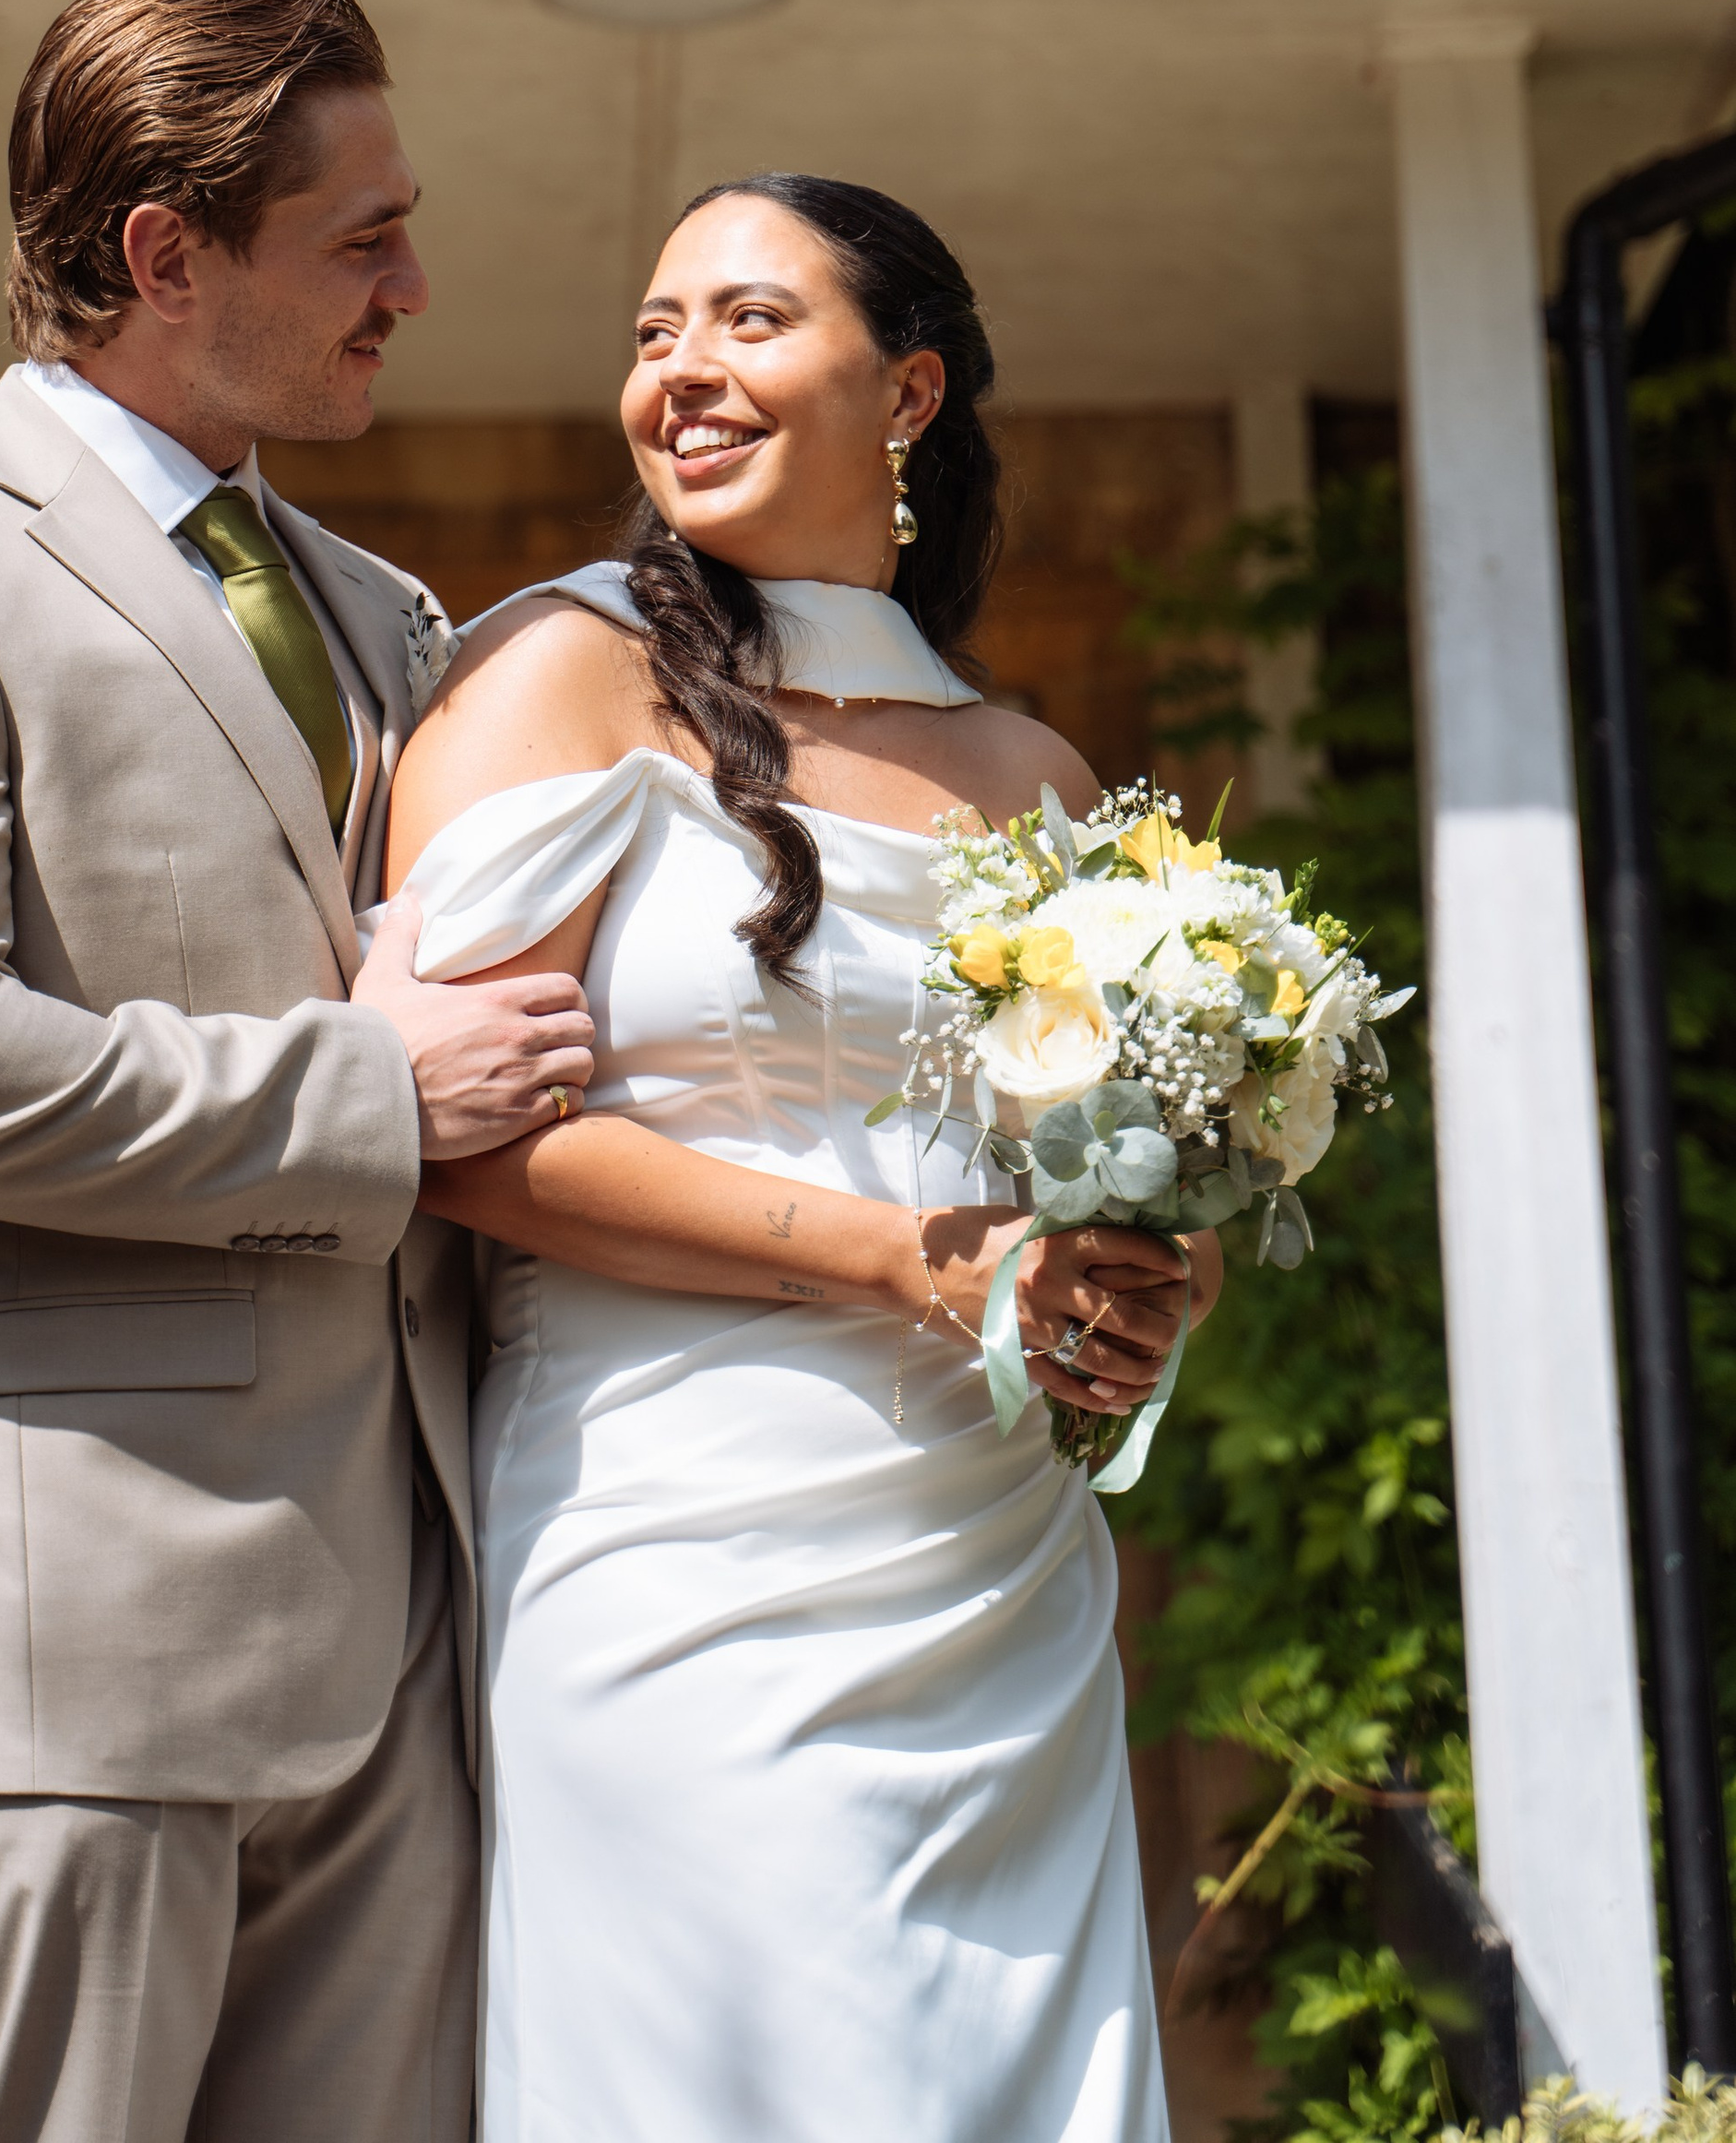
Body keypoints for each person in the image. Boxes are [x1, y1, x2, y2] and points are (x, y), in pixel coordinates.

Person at [0, 0, 594, 2143]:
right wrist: (363, 1095)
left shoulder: (392, 619)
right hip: (60, 1648)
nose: (416, 279)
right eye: (360, 235)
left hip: (399, 1648)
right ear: (160, 253)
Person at [375, 171, 1219, 2143]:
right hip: (670, 1544)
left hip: (985, 1566)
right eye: (654, 331)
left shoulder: (1035, 780)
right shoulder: (553, 684)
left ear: (904, 390)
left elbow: (1086, 1180)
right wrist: (902, 1261)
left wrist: (1133, 1273)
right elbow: (470, 1147)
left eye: (747, 321)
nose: (680, 369)